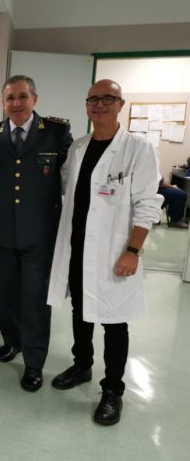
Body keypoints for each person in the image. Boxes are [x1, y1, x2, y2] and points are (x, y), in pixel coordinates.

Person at [47, 79, 162, 426]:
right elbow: (66, 189)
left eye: (108, 99)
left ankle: (112, 389)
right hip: (77, 246)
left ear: (120, 104)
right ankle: (82, 365)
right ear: (87, 105)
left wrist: (133, 250)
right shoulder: (78, 147)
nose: (99, 105)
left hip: (114, 250)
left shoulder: (138, 149)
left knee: (114, 320)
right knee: (81, 312)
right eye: (93, 99)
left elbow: (148, 204)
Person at [0, 75, 73, 392]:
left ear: (35, 98)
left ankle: (34, 362)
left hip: (40, 233)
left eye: (22, 96)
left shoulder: (56, 133)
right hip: (2, 232)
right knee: (6, 293)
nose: (16, 103)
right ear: (3, 102)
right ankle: (13, 341)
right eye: (10, 98)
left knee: (35, 298)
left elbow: (70, 179)